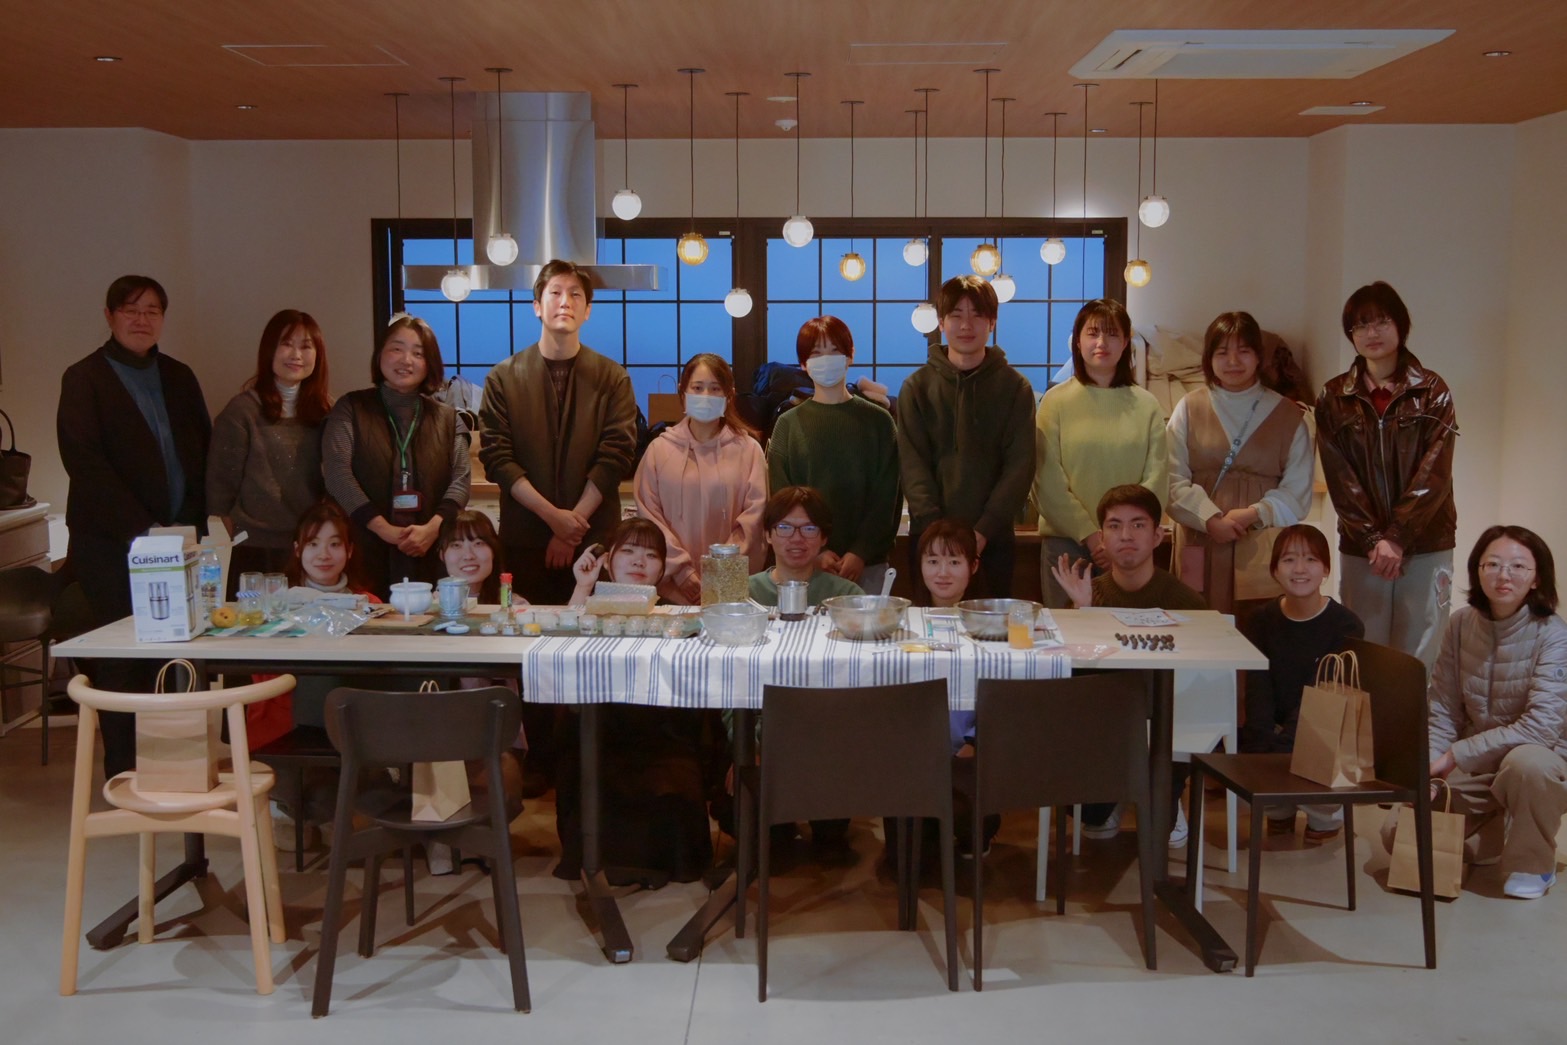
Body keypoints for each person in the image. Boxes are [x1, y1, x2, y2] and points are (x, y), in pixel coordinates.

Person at [57, 275, 212, 778]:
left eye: (152, 310)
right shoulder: (84, 378)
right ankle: (124, 773)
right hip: (111, 546)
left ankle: (175, 769)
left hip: (179, 543)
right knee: (122, 660)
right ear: (109, 316)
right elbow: (85, 463)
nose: (141, 319)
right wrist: (145, 530)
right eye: (130, 309)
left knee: (175, 657)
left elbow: (201, 453)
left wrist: (187, 526)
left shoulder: (179, 376)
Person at [553, 518, 717, 884]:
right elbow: (561, 654)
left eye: (651, 555)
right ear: (608, 560)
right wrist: (583, 586)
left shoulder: (677, 616)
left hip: (663, 735)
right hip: (599, 731)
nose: (639, 561)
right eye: (627, 551)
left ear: (662, 568)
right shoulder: (586, 608)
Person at [479, 259, 638, 605]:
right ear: (537, 306)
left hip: (592, 541)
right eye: (555, 293)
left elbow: (615, 457)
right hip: (524, 540)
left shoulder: (613, 378)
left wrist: (571, 529)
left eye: (575, 294)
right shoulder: (502, 378)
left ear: (588, 310)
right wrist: (554, 519)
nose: (565, 301)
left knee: (596, 631)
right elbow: (498, 460)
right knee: (522, 628)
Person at [1052, 484, 1206, 842]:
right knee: (1087, 815)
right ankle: (1117, 795)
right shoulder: (1088, 594)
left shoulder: (1186, 602)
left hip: (1166, 727)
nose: (1126, 535)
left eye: (1138, 525)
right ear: (1102, 538)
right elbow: (1068, 685)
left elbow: (1201, 684)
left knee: (1159, 824)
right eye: (1114, 525)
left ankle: (1167, 793)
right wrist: (1082, 614)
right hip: (1105, 729)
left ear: (1157, 536)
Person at [1421, 525, 1567, 899]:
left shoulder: (1553, 633)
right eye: (1493, 564)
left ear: (1536, 578)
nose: (1504, 575)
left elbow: (1541, 727)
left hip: (1543, 761)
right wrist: (1430, 769)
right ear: (1478, 570)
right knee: (1400, 836)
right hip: (1480, 764)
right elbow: (1443, 707)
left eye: (1518, 566)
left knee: (1526, 765)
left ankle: (1533, 864)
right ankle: (1502, 830)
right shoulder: (1460, 624)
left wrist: (1455, 755)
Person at [1317, 281, 1457, 670]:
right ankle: (1366, 717)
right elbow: (1339, 475)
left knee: (1418, 654)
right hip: (1362, 546)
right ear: (1351, 334)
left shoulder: (1432, 391)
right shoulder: (1333, 397)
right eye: (1361, 325)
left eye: (1381, 321)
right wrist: (1373, 539)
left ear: (1401, 325)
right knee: (1363, 650)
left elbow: (1435, 470)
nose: (1372, 333)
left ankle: (1413, 716)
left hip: (1426, 541)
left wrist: (1397, 537)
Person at [898, 276, 1036, 600]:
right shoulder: (916, 387)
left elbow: (1020, 467)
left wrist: (983, 531)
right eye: (956, 315)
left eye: (977, 315)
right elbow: (912, 464)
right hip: (930, 543)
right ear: (941, 323)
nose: (966, 325)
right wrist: (939, 538)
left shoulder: (1015, 388)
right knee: (928, 626)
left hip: (992, 540)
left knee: (990, 627)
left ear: (992, 322)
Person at [1166, 311, 1313, 614]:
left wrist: (1253, 513)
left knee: (1257, 624)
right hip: (1198, 537)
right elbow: (1170, 477)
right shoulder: (1189, 408)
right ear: (1209, 358)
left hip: (1258, 538)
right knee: (1196, 620)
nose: (1233, 361)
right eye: (1222, 352)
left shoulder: (1288, 415)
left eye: (1243, 351)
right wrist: (1209, 519)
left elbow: (1297, 490)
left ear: (1259, 356)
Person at [322, 314, 469, 596]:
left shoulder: (449, 419)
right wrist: (383, 529)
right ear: (380, 355)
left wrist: (433, 528)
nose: (406, 360)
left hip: (431, 546)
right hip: (364, 544)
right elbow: (337, 473)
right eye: (397, 349)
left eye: (418, 353)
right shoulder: (351, 407)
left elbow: (461, 479)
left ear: (430, 363)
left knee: (430, 616)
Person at [1034, 298, 1168, 608]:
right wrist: (1092, 535)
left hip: (1129, 547)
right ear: (1077, 341)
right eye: (1093, 333)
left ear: (1125, 343)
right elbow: (1046, 480)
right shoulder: (1055, 401)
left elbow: (1158, 476)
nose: (1102, 342)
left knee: (1129, 632)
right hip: (1067, 543)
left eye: (1112, 334)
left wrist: (1122, 534)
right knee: (1067, 632)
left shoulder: (1146, 404)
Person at [1240, 524, 1365, 840]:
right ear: (1274, 570)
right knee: (1259, 749)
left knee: (1320, 821)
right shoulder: (1259, 619)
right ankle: (1278, 807)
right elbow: (1258, 686)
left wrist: (1286, 746)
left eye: (1310, 559)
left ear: (1326, 569)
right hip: (1275, 727)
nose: (1299, 569)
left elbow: (1325, 693)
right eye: (1289, 559)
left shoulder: (1346, 624)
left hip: (1322, 729)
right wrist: (1263, 744)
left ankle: (1322, 813)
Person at [767, 316, 900, 597]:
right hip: (805, 564)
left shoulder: (879, 421)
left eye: (834, 351)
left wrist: (860, 552)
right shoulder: (787, 425)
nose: (826, 360)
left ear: (850, 356)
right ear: (803, 364)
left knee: (867, 626)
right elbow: (781, 497)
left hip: (868, 565)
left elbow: (888, 496)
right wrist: (816, 550)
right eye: (816, 353)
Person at [206, 309, 333, 588]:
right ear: (269, 350)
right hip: (254, 546)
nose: (296, 355)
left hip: (311, 546)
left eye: (306, 346)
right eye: (286, 344)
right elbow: (219, 490)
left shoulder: (327, 412)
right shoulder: (242, 411)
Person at [634, 353, 767, 604]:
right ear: (682, 392)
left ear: (729, 396)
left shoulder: (749, 450)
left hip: (729, 585)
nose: (705, 395)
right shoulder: (659, 450)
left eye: (715, 389)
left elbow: (754, 519)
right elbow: (649, 515)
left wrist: (720, 572)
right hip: (671, 585)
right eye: (697, 388)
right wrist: (682, 571)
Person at [748, 485, 866, 606]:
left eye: (809, 529)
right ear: (768, 535)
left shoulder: (846, 594)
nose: (797, 538)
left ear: (824, 538)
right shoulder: (746, 592)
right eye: (785, 527)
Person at [437, 509, 508, 604]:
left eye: (478, 543)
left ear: (493, 551)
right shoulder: (428, 607)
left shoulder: (514, 607)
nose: (468, 556)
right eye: (456, 545)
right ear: (442, 555)